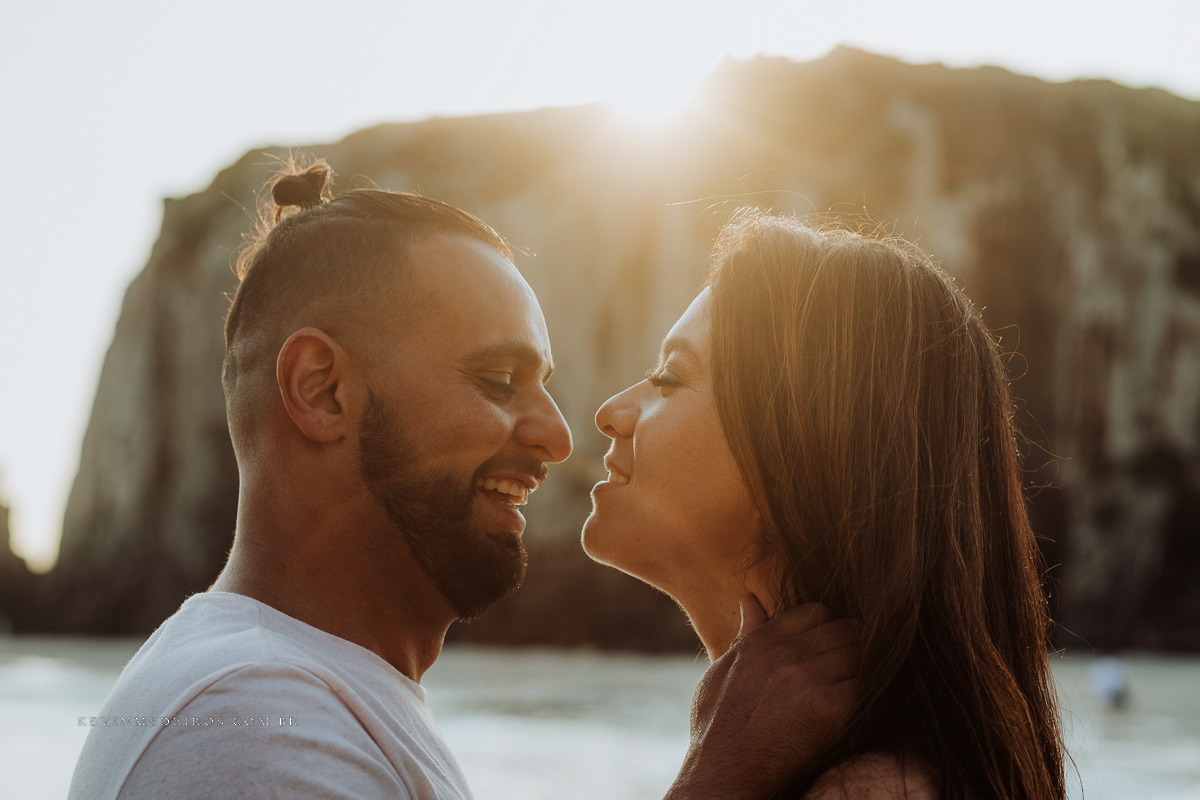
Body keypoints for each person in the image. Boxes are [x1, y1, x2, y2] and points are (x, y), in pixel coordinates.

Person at [68, 162, 859, 800]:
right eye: (497, 378)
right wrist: (721, 784)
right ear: (322, 390)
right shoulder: (251, 727)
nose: (555, 435)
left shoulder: (316, 698)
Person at [584, 212, 1067, 799]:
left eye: (669, 378)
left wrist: (709, 785)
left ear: (797, 444)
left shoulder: (871, 791)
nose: (610, 413)